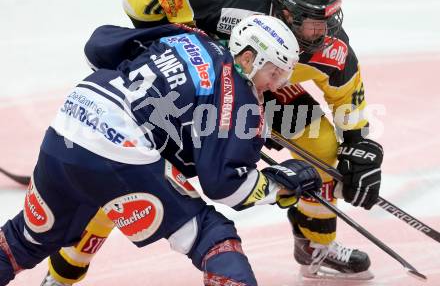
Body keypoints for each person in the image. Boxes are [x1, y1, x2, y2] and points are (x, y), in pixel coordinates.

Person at [43, 0, 385, 284]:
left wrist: (358, 143)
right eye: (315, 24)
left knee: (323, 144)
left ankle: (315, 246)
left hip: (265, 85)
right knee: (129, 171)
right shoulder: (231, 3)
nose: (326, 34)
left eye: (329, 20)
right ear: (286, 13)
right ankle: (65, 271)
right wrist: (166, 40)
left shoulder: (332, 45)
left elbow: (347, 94)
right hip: (202, 88)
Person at [0, 15, 323, 286]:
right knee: (211, 235)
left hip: (73, 118)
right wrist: (280, 183)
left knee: (22, 240)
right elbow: (227, 187)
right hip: (118, 144)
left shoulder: (188, 34)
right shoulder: (238, 96)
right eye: (275, 72)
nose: (277, 84)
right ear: (249, 58)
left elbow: (99, 45)